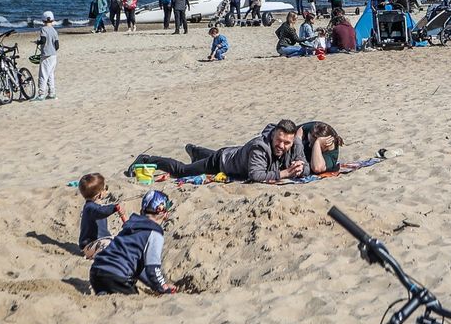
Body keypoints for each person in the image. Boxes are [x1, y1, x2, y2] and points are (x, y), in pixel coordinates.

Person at [129, 120, 310, 183]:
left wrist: (301, 167)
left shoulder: (295, 144)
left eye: (286, 142)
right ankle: (146, 158)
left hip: (235, 155)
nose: (282, 146)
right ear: (273, 137)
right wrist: (286, 173)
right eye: (279, 140)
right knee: (182, 171)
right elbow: (256, 174)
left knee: (210, 157)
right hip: (222, 162)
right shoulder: (259, 147)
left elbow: (307, 167)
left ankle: (196, 151)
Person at [89, 190, 177, 295]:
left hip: (96, 271)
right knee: (132, 296)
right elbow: (152, 269)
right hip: (117, 275)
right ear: (163, 212)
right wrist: (163, 288)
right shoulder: (154, 233)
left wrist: (157, 286)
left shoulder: (132, 225)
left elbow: (139, 268)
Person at [77, 172, 127, 259]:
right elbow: (100, 212)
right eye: (105, 188)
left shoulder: (95, 207)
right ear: (99, 194)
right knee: (108, 245)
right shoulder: (90, 208)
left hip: (102, 241)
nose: (107, 190)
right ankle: (101, 257)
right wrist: (114, 208)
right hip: (90, 245)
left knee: (120, 241)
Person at [34, 11, 59, 100]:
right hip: (53, 55)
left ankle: (41, 94)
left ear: (43, 20)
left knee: (43, 74)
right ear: (52, 20)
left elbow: (43, 40)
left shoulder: (43, 29)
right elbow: (57, 46)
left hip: (45, 55)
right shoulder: (54, 30)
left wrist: (38, 42)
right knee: (50, 74)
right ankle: (52, 93)